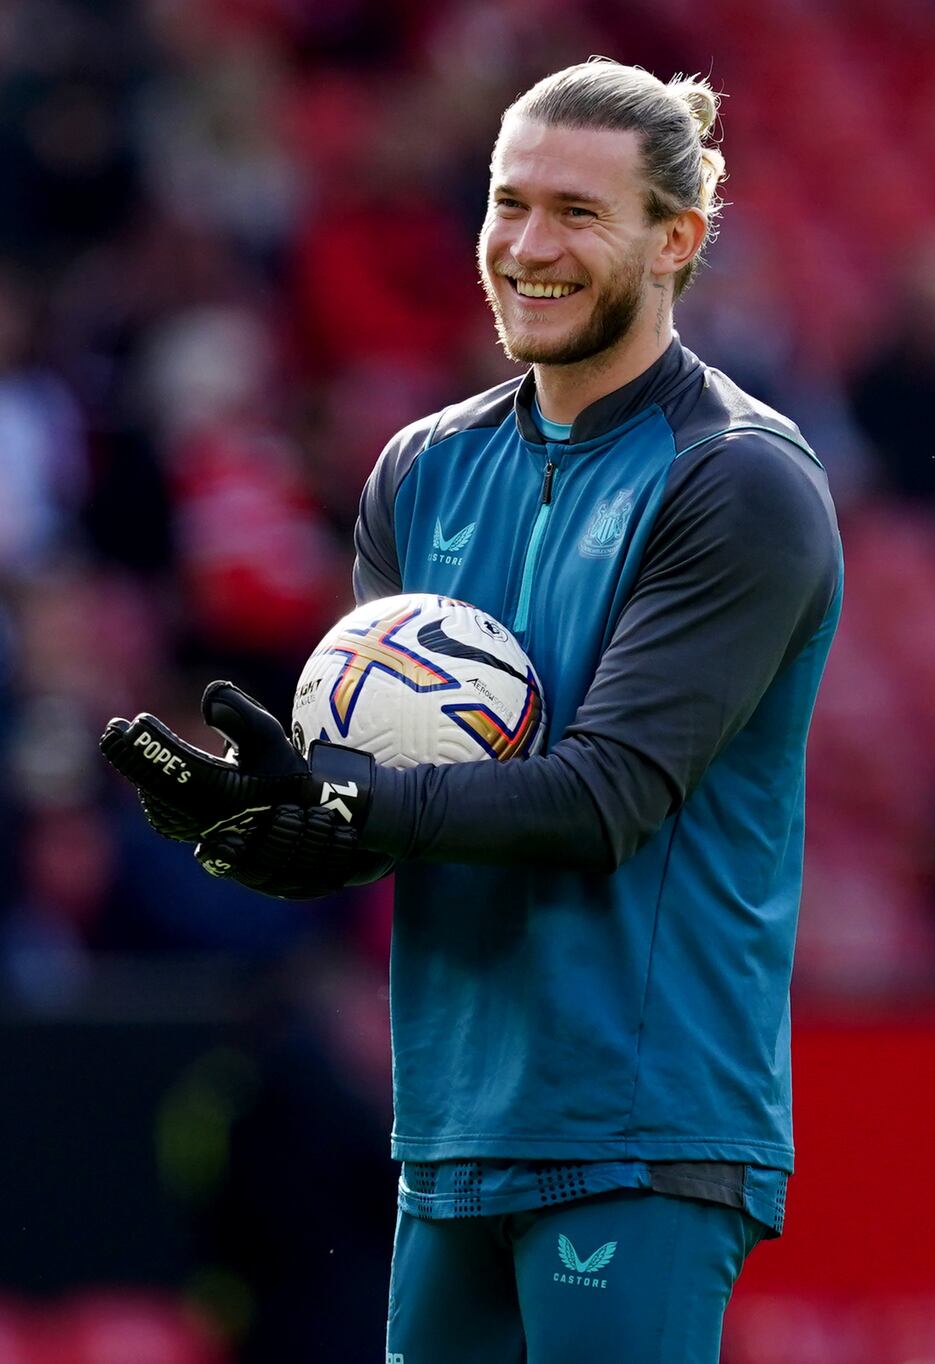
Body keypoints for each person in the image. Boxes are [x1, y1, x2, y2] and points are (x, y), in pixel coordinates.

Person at [102, 60, 842, 1364]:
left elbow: (604, 799)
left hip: (640, 1120)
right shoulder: (421, 472)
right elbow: (404, 802)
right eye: (507, 204)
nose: (527, 246)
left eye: (576, 212)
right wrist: (264, 832)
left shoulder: (741, 485)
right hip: (451, 1123)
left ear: (676, 240)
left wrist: (350, 801)